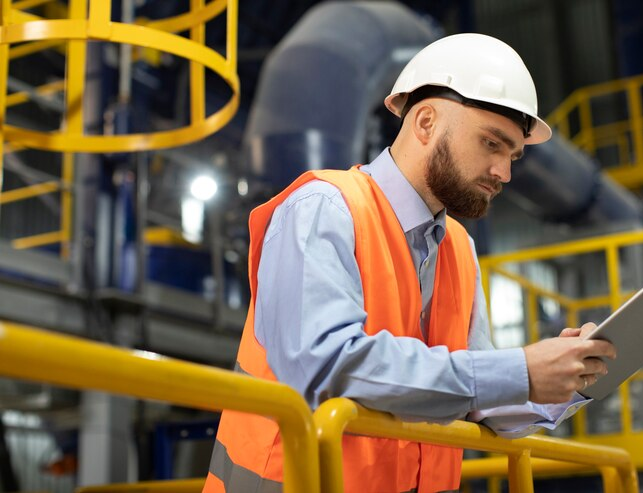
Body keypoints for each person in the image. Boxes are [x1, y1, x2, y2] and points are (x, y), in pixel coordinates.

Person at [204, 33, 616, 493]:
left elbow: (477, 398)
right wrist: (518, 371)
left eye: (513, 155)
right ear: (424, 123)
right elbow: (325, 366)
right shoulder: (324, 208)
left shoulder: (458, 248)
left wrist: (566, 378)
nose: (505, 173)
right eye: (491, 144)